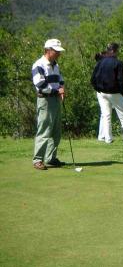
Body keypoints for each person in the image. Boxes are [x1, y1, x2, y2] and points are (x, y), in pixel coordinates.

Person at [32, 39, 66, 170]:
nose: (59, 54)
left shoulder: (55, 65)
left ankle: (50, 158)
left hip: (55, 99)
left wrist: (61, 88)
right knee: (44, 131)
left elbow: (60, 79)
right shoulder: (39, 64)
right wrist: (57, 90)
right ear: (48, 50)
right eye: (56, 51)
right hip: (45, 100)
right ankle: (38, 160)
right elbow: (40, 84)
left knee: (56, 132)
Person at [91, 43, 123, 144]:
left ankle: (107, 138)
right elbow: (120, 80)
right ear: (115, 51)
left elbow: (93, 78)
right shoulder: (118, 63)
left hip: (102, 92)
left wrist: (97, 88)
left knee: (106, 115)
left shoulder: (100, 62)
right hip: (114, 92)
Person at [94, 51, 107, 142]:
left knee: (105, 114)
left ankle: (103, 135)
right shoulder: (99, 67)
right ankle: (102, 135)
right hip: (102, 91)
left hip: (103, 91)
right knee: (105, 113)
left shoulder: (100, 67)